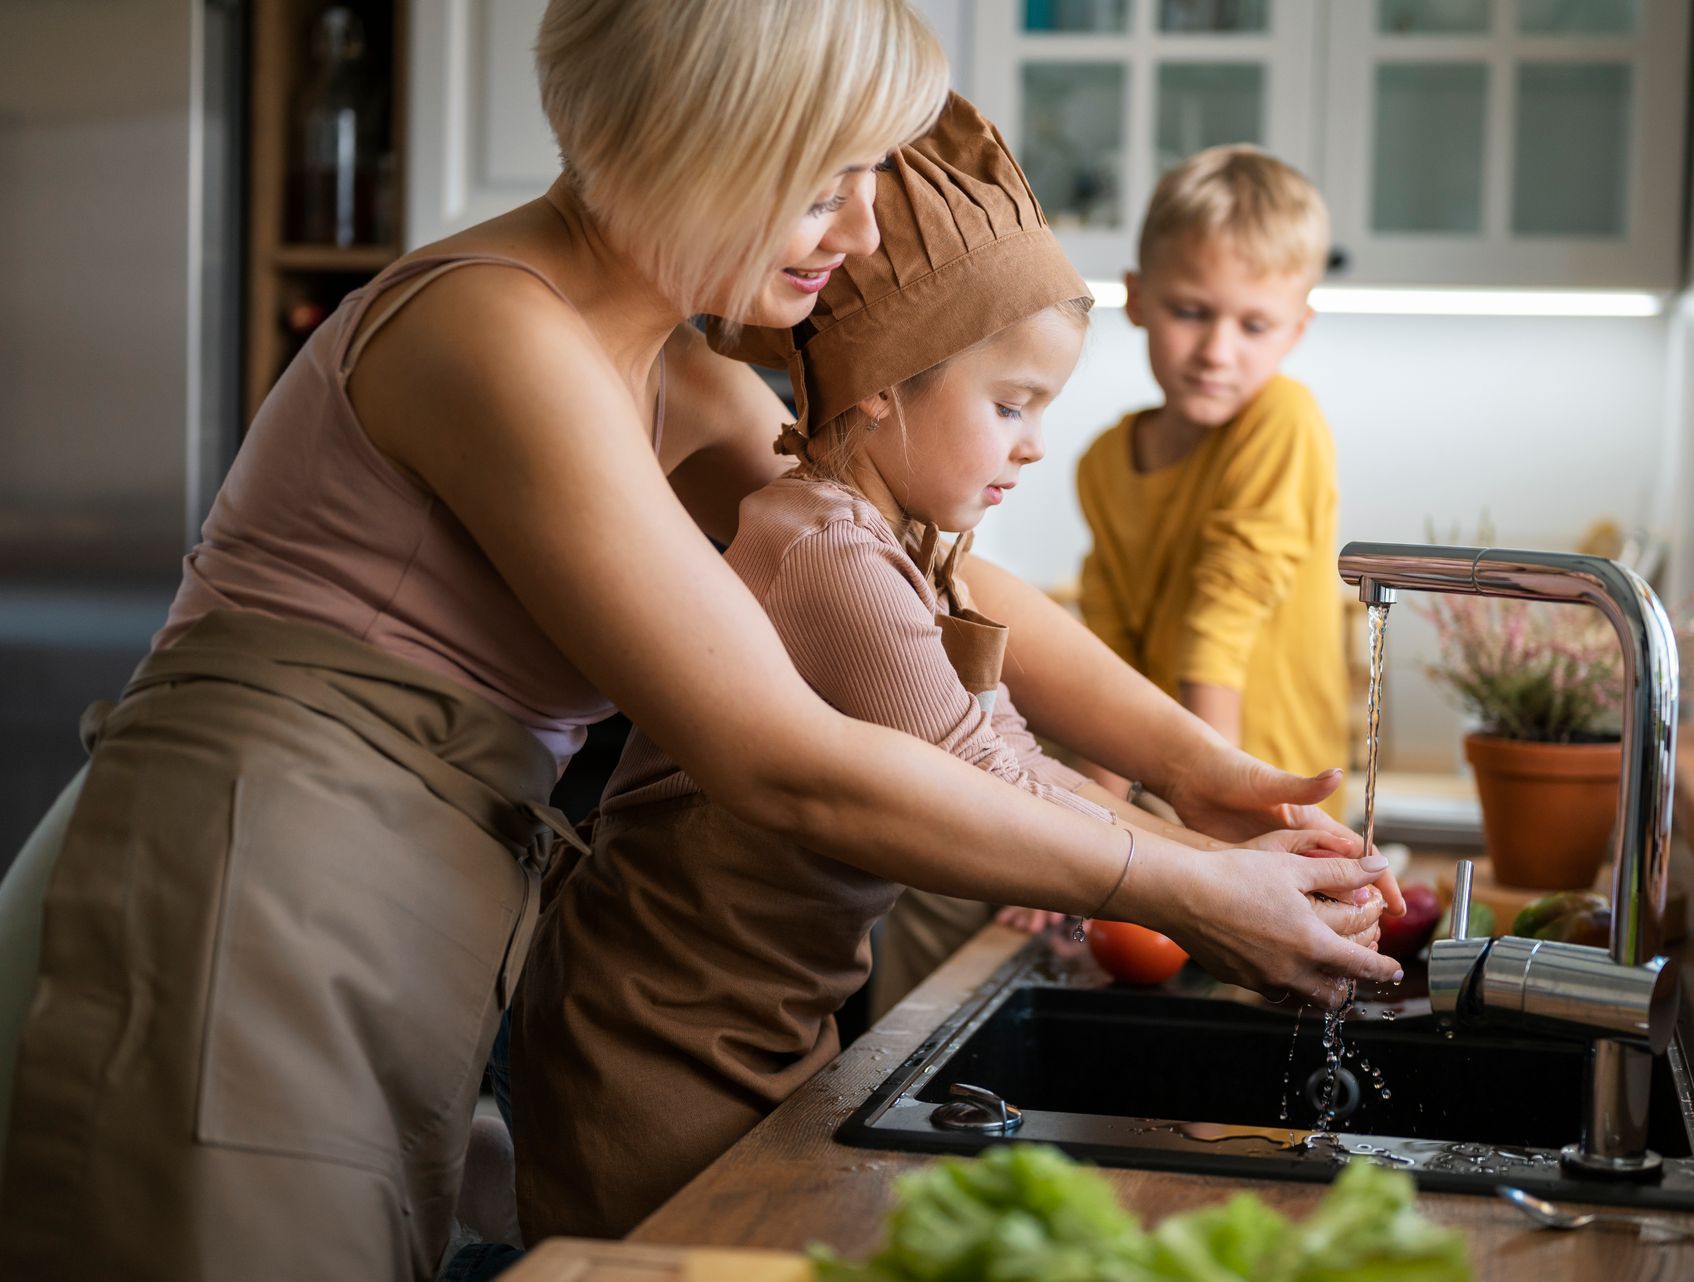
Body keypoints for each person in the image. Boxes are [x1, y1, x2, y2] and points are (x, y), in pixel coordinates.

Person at [0, 5, 1397, 1278]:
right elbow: (787, 762)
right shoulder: (497, 331)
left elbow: (936, 579)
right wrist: (1181, 882)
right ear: (696, 141)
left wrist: (1204, 769)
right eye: (822, 177)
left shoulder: (671, 368)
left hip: (388, 903)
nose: (854, 230)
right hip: (251, 891)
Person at [506, 97, 1389, 1242]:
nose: (1033, 443)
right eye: (1011, 405)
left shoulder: (898, 543)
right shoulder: (822, 547)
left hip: (756, 1019)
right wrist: (1213, 874)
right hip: (652, 1038)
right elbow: (981, 766)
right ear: (883, 388)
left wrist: (1215, 837)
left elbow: (1005, 745)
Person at [1077, 146, 1351, 819]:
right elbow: (1111, 665)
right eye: (1191, 312)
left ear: (1296, 330)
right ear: (1137, 299)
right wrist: (1089, 822)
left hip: (1277, 804)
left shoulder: (1282, 420)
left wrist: (1234, 818)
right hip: (1182, 801)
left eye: (1254, 325)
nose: (1217, 351)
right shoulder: (1104, 463)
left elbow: (1219, 621)